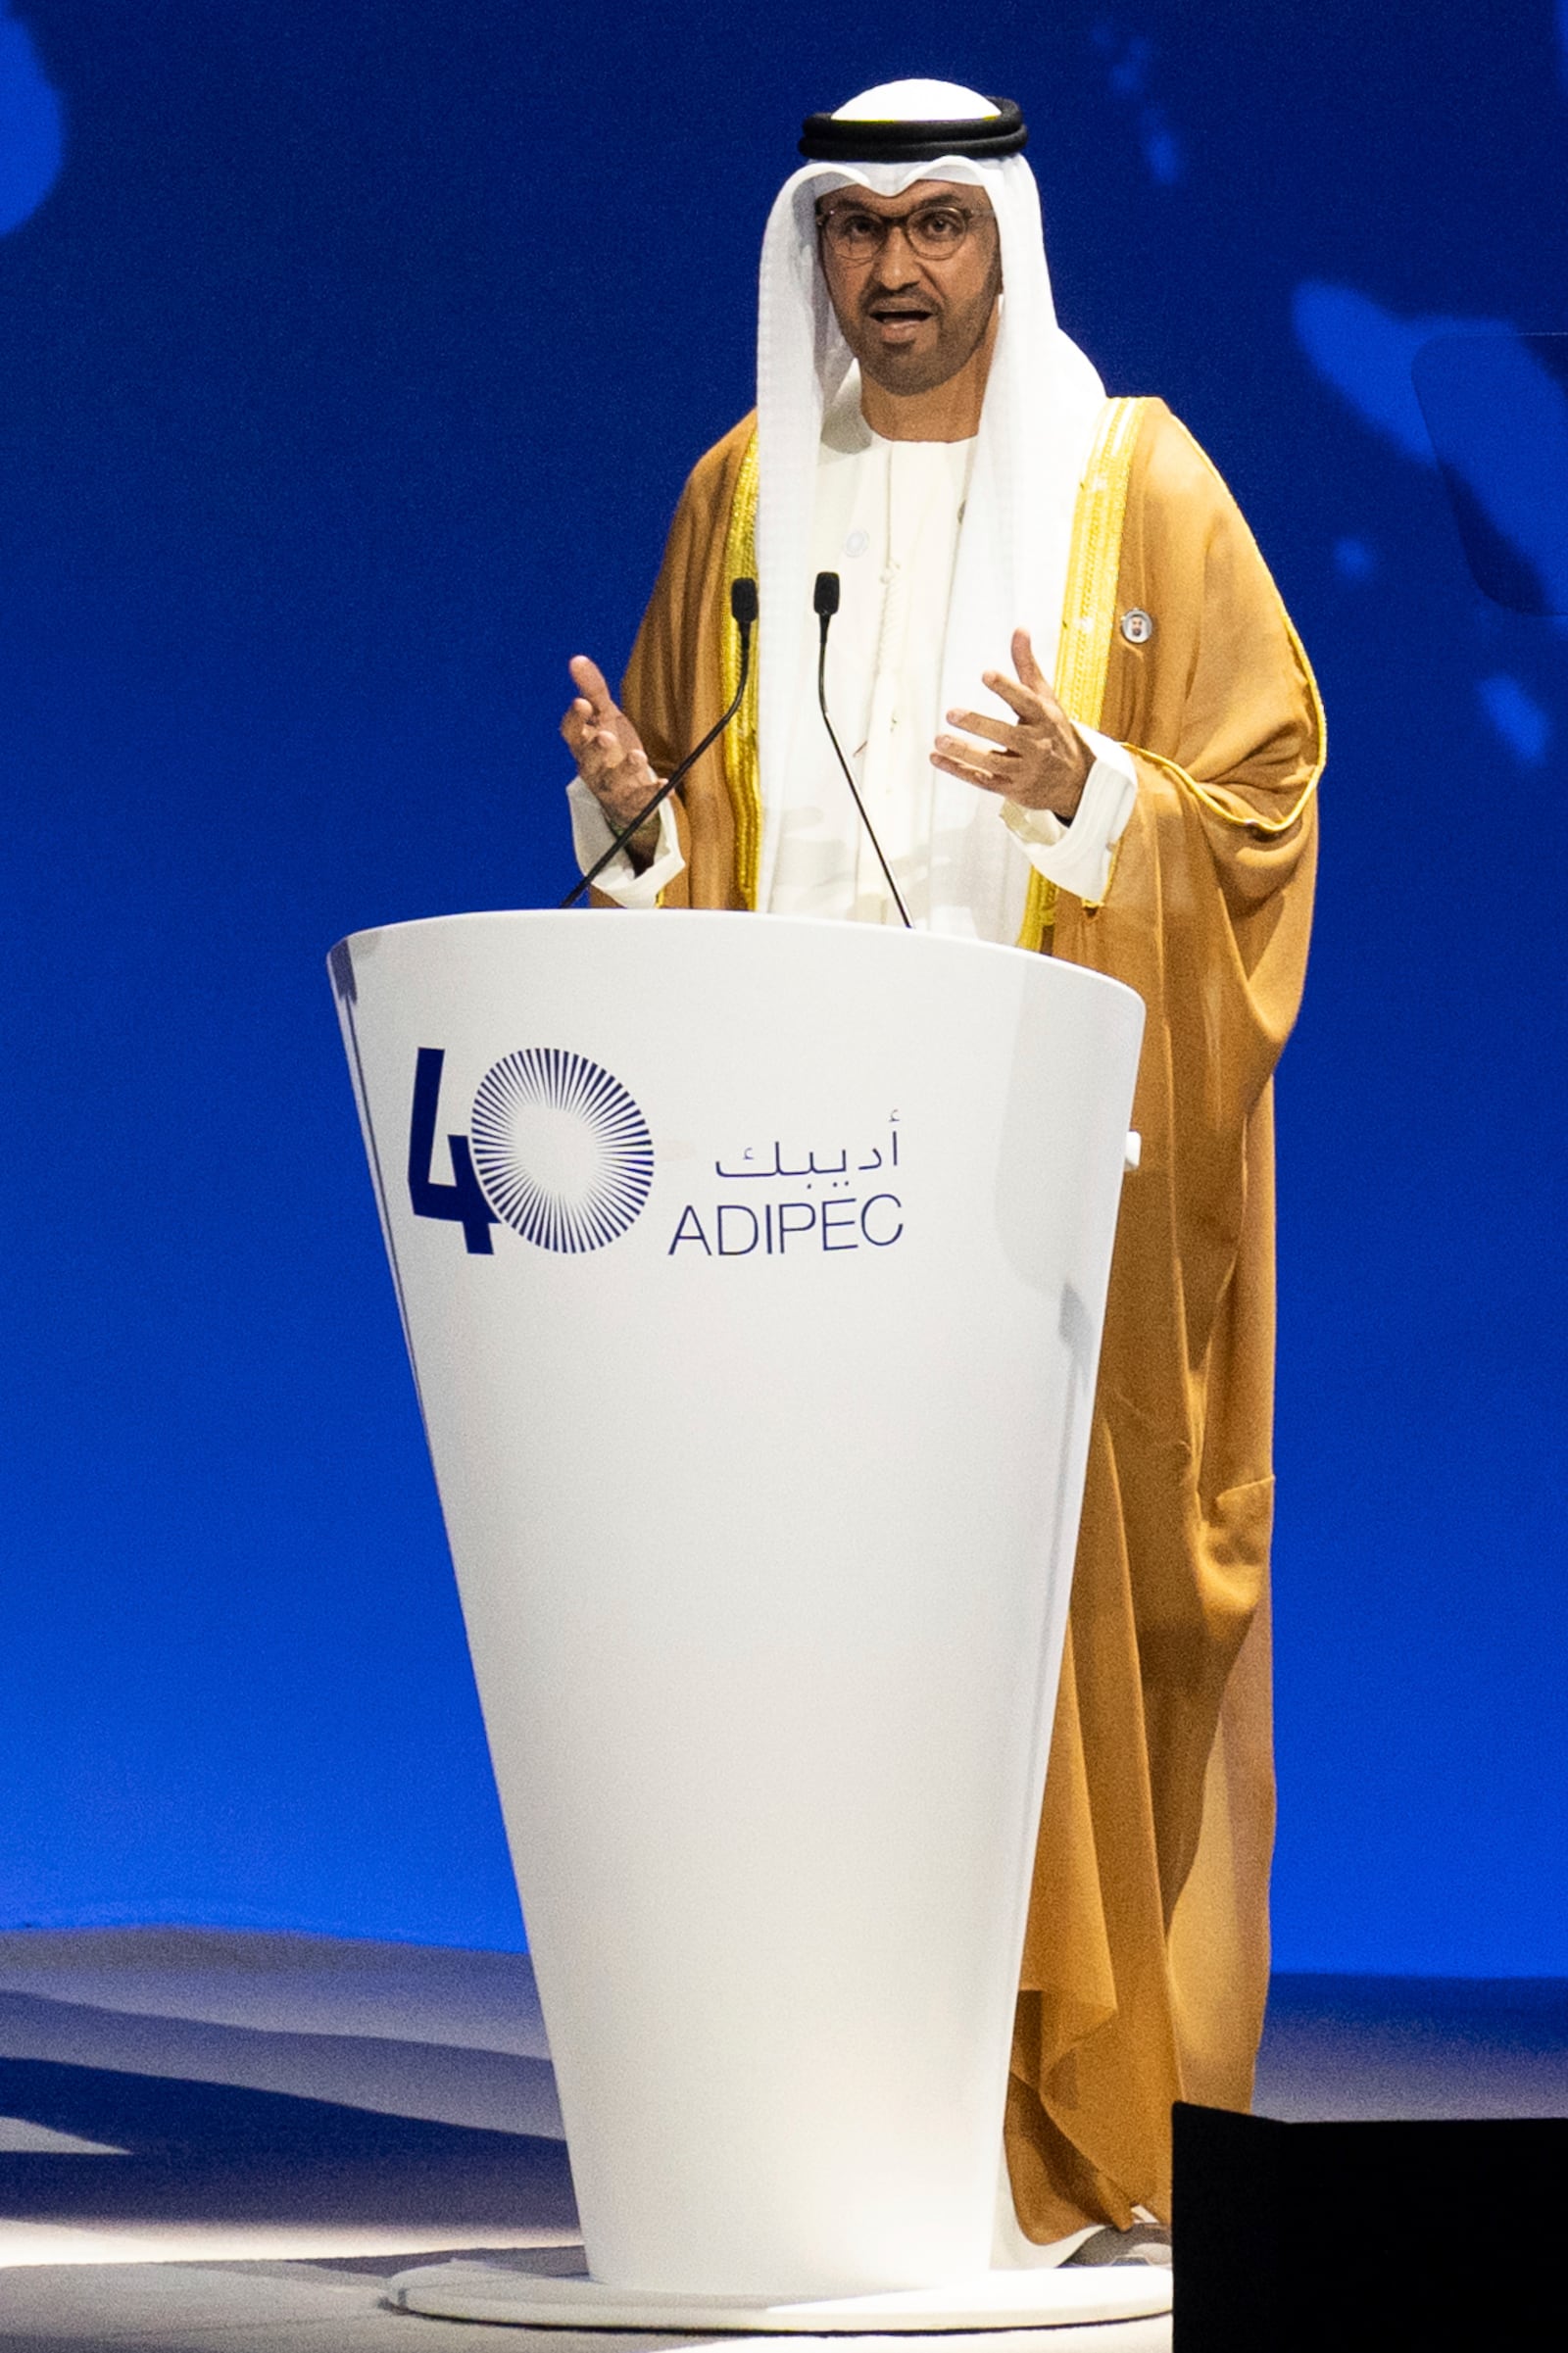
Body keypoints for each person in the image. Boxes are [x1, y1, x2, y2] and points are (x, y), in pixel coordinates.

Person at [560, 78, 1322, 2255]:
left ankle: (1059, 2133)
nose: (893, 272)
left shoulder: (1129, 482)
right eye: (854, 230)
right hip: (795, 1215)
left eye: (934, 227)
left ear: (1003, 238)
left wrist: (1100, 794)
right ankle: (830, 2135)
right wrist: (630, 827)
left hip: (1031, 1205)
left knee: (1047, 1662)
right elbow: (698, 865)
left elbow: (1256, 809)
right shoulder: (738, 493)